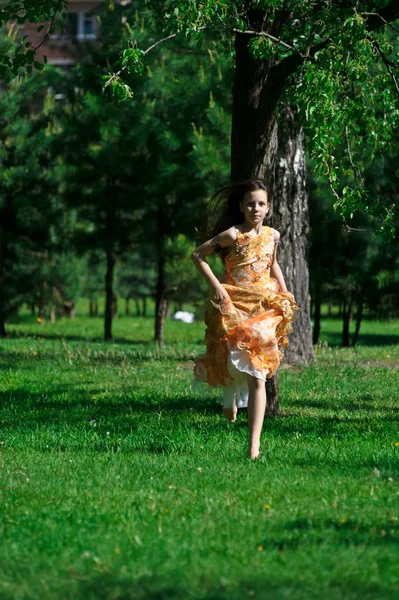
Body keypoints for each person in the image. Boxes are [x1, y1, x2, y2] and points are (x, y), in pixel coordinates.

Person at [191, 178, 298, 459]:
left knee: (258, 373)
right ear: (241, 206)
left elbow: (272, 263)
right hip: (234, 304)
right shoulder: (232, 235)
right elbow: (198, 255)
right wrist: (217, 287)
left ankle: (254, 446)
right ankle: (230, 398)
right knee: (231, 358)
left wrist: (285, 292)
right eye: (250, 203)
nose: (255, 208)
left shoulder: (273, 236)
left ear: (268, 208)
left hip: (263, 305)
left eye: (261, 204)